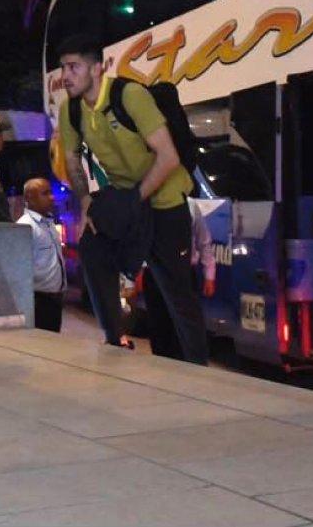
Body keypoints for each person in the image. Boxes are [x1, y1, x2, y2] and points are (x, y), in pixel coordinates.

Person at [57, 34, 208, 365]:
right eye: (63, 67)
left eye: (74, 67)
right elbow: (70, 159)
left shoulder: (130, 95)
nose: (65, 76)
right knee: (92, 248)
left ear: (97, 68)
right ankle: (114, 342)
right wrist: (85, 202)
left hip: (165, 202)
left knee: (176, 294)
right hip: (128, 198)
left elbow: (167, 157)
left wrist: (132, 201)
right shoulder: (70, 110)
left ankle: (200, 369)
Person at [17, 177, 66, 332]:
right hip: (37, 302)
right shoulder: (25, 227)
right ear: (29, 198)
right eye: (45, 194)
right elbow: (19, 270)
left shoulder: (48, 224)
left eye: (50, 192)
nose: (52, 197)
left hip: (53, 300)